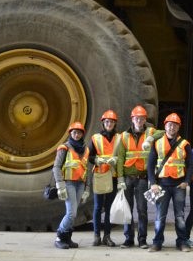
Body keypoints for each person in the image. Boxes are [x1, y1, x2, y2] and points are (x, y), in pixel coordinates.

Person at [147, 113, 192, 252]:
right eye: (169, 124)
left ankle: (182, 242)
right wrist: (153, 183)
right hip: (162, 184)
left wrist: (187, 182)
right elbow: (150, 164)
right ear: (165, 126)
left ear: (178, 127)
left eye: (175, 125)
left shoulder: (185, 144)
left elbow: (190, 165)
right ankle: (157, 242)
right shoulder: (157, 143)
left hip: (179, 185)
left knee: (180, 216)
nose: (172, 127)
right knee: (160, 216)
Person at [115, 104, 156, 248]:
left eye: (142, 118)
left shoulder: (151, 132)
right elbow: (120, 158)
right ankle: (129, 239)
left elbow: (163, 133)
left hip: (142, 179)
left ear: (145, 120)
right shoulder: (124, 136)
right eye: (136, 118)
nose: (139, 121)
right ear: (132, 119)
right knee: (127, 210)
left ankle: (142, 239)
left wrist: (151, 139)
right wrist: (120, 179)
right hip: (127, 179)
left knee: (142, 210)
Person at [53, 122, 91, 249]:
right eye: (74, 132)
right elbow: (56, 167)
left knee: (74, 212)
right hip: (68, 183)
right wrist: (60, 185)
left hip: (80, 184)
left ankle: (67, 238)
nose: (76, 134)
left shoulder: (85, 149)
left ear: (82, 134)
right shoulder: (64, 148)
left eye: (79, 132)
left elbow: (86, 169)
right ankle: (59, 236)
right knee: (71, 213)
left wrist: (87, 188)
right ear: (70, 133)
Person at [87, 110, 120, 247]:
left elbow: (123, 154)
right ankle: (96, 236)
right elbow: (89, 157)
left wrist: (116, 159)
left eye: (111, 122)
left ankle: (107, 236)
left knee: (109, 207)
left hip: (113, 175)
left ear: (114, 123)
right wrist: (97, 160)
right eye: (107, 122)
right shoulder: (95, 138)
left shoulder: (119, 138)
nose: (109, 124)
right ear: (103, 123)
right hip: (100, 175)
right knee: (97, 207)